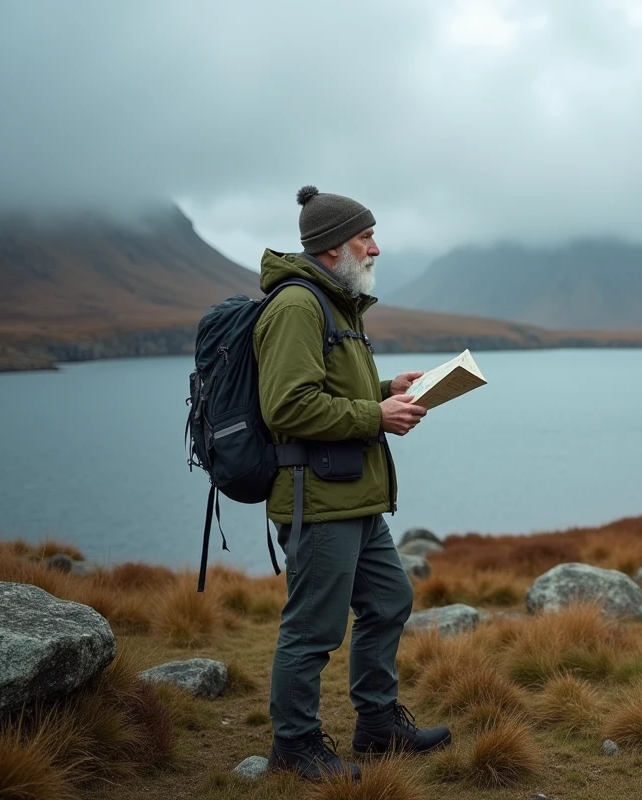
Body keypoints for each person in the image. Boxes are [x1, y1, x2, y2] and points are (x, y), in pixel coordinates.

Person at [252, 185, 452, 781]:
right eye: (368, 237)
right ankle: (294, 748)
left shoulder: (340, 304)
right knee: (312, 630)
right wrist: (375, 417)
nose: (376, 248)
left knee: (390, 601)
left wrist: (386, 391)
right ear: (336, 245)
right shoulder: (297, 306)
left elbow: (330, 394)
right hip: (317, 500)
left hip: (355, 496)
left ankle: (377, 725)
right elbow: (286, 408)